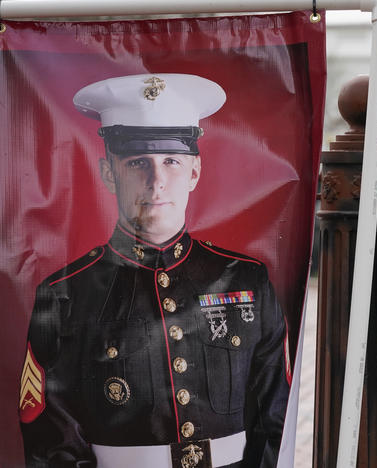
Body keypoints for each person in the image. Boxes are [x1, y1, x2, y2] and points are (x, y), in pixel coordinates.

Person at [18, 74, 290, 468]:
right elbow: (49, 436)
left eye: (171, 162)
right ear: (109, 173)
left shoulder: (246, 280)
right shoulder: (65, 294)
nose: (157, 181)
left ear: (194, 173)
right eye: (138, 163)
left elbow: (274, 416)